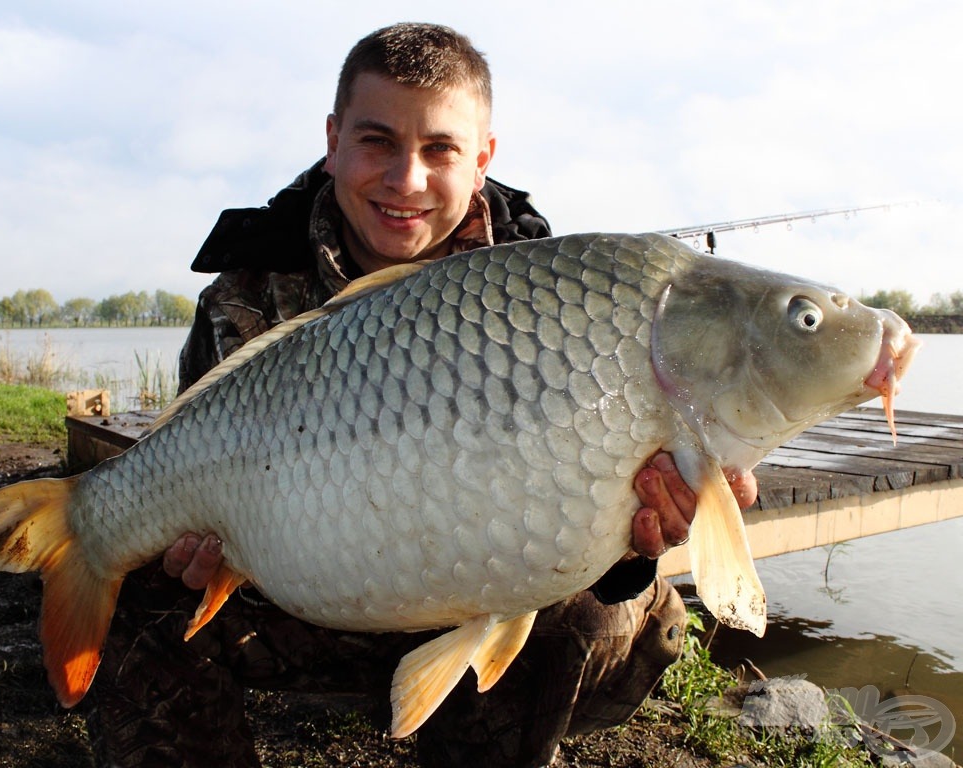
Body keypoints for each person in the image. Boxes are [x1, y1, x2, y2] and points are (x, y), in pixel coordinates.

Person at [85, 23, 757, 768]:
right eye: (377, 141)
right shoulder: (246, 292)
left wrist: (643, 537)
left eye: (440, 149)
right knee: (137, 611)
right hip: (300, 594)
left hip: (482, 588)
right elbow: (192, 473)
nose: (406, 179)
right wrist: (196, 552)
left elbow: (589, 527)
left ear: (482, 160)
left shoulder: (555, 297)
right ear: (334, 139)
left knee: (594, 614)